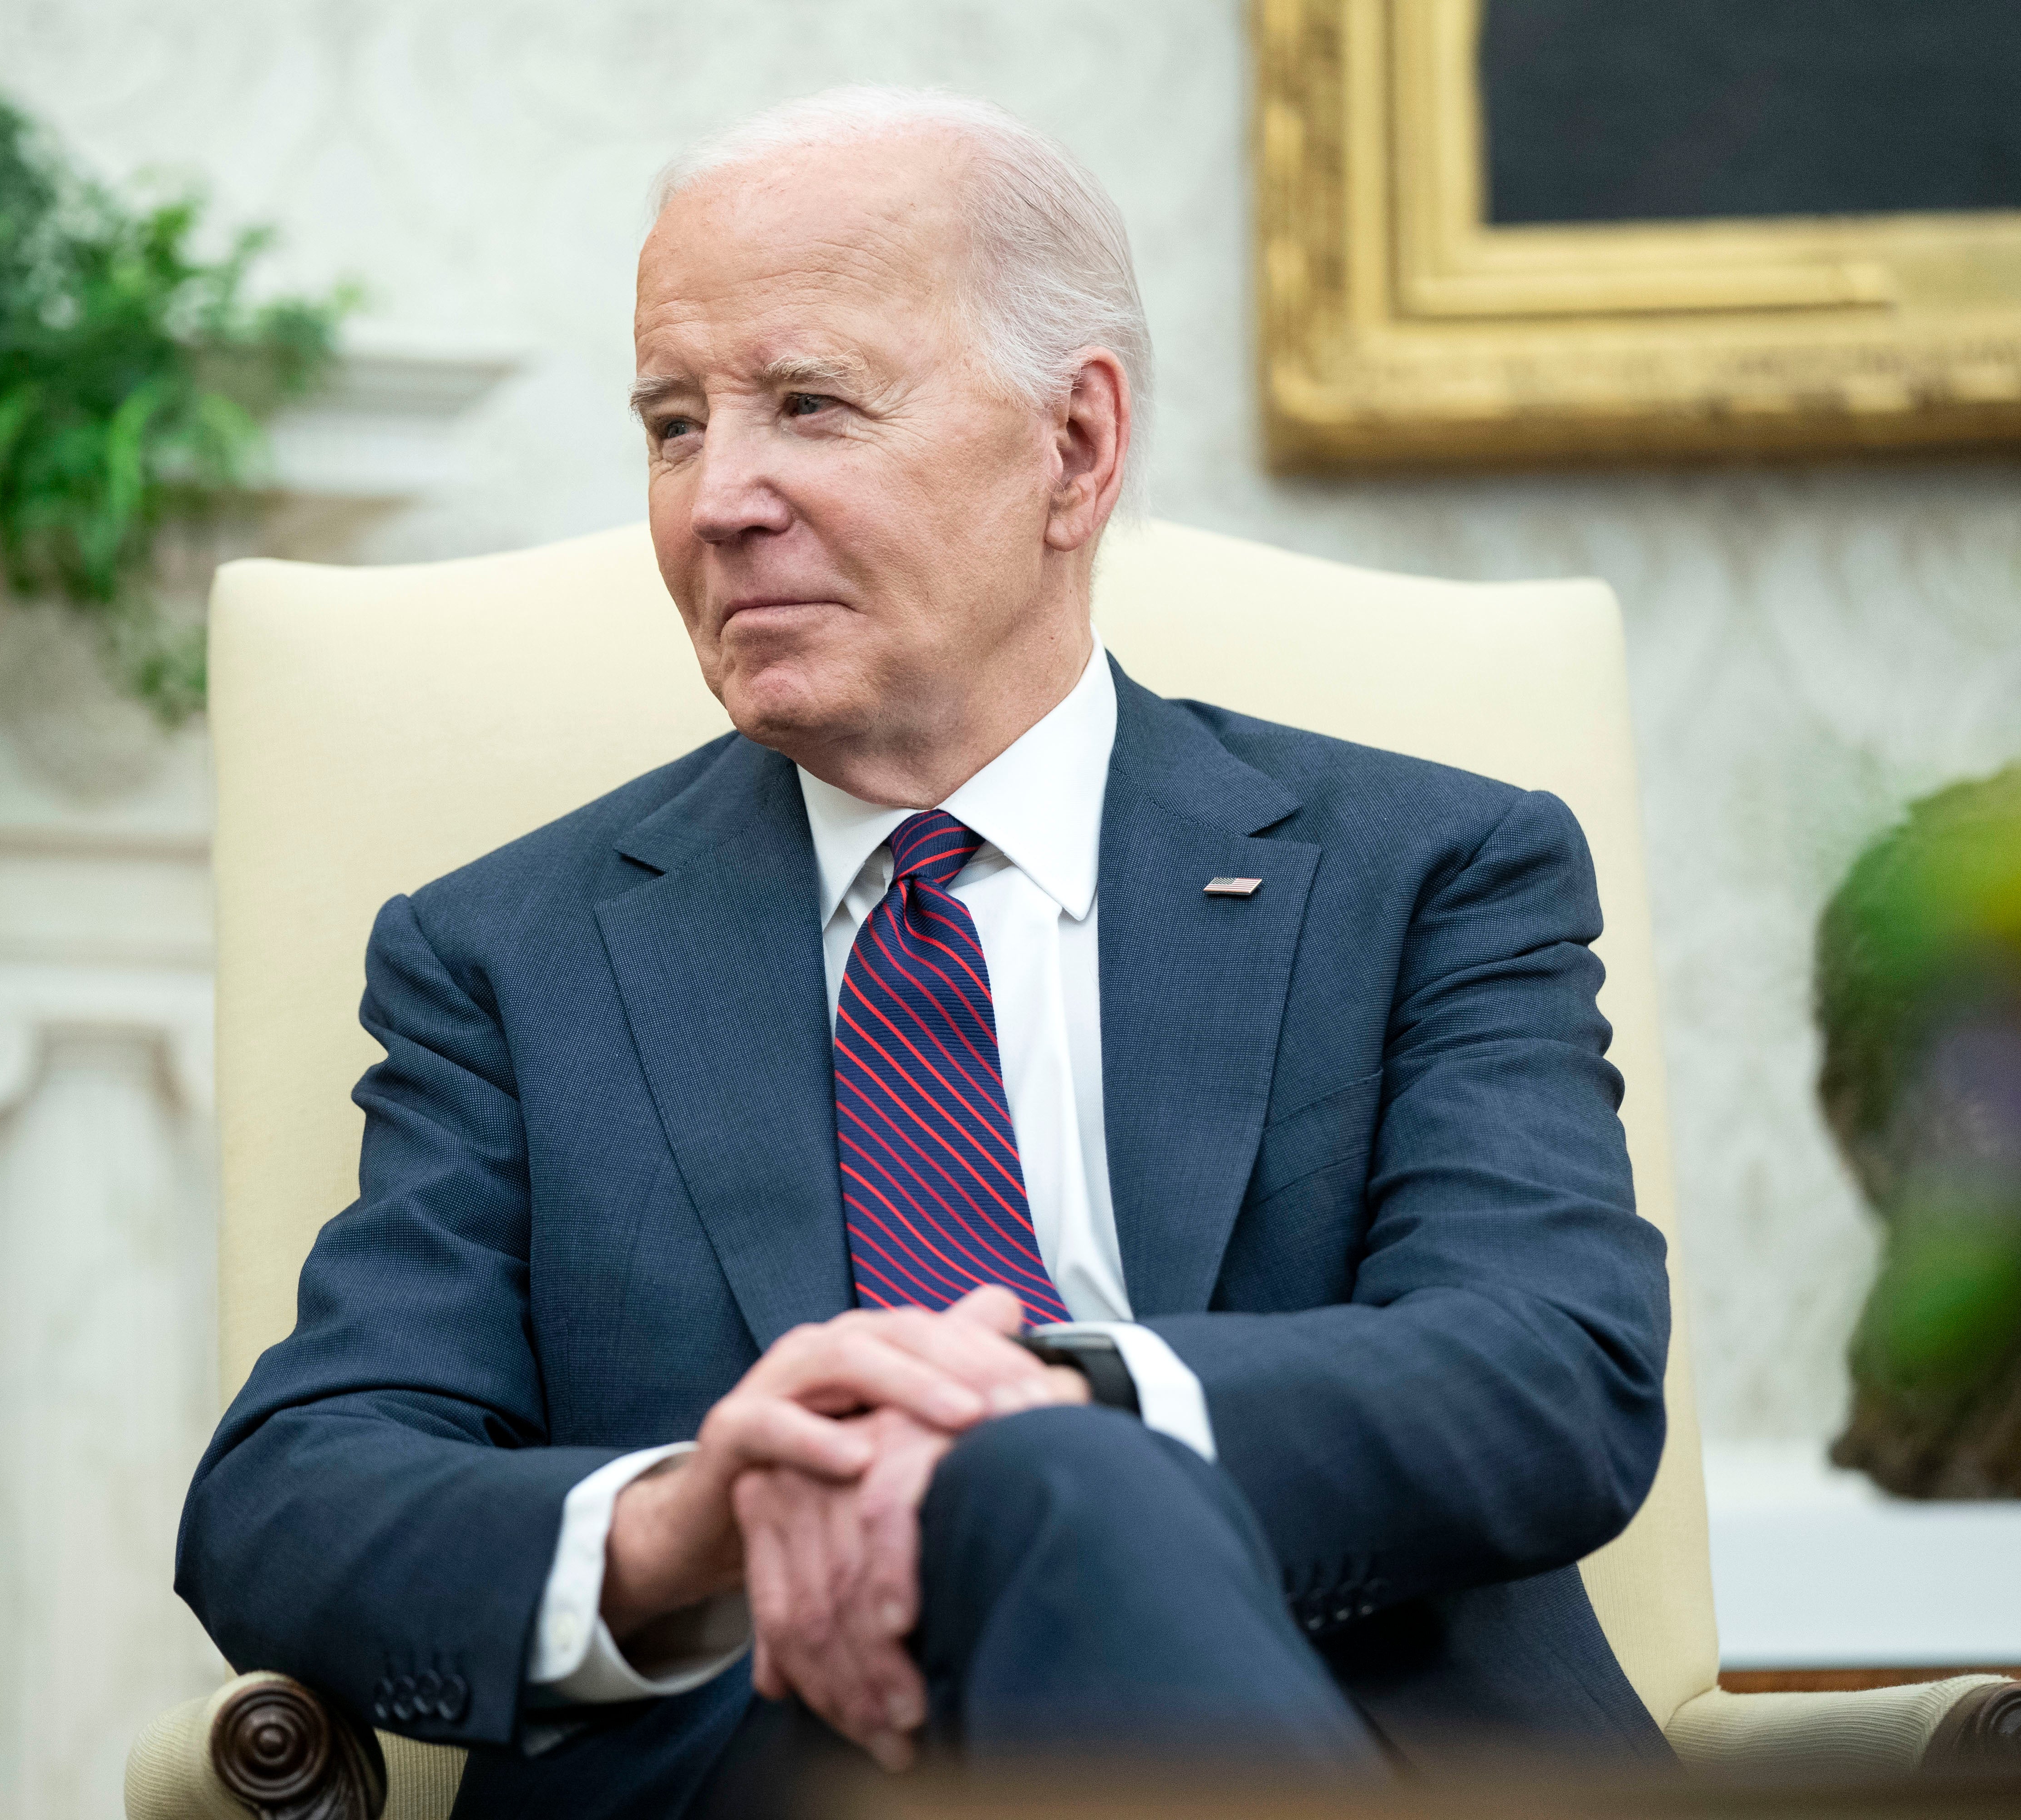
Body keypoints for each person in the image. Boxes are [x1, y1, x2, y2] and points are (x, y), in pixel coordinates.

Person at [177, 86, 1672, 1817]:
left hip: (1340, 1736)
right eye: (673, 425)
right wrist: (689, 1521)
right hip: (766, 1760)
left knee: (1043, 1478)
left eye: (810, 404)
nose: (718, 499)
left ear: (1075, 448)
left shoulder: (1427, 875)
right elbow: (291, 1500)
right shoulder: (506, 959)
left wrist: (1045, 1415)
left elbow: (1549, 1371)